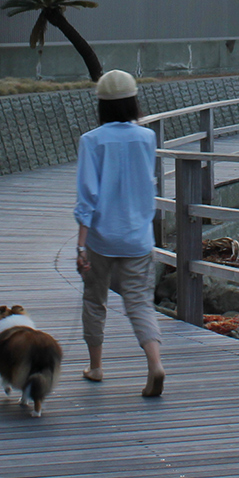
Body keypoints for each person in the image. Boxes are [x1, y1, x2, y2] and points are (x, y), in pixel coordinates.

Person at [73, 69, 166, 398]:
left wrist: (81, 246)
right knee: (140, 304)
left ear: (102, 105)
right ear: (133, 102)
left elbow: (88, 196)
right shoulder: (147, 137)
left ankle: (96, 367)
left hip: (101, 238)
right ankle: (154, 364)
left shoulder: (92, 141)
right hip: (138, 237)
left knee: (95, 301)